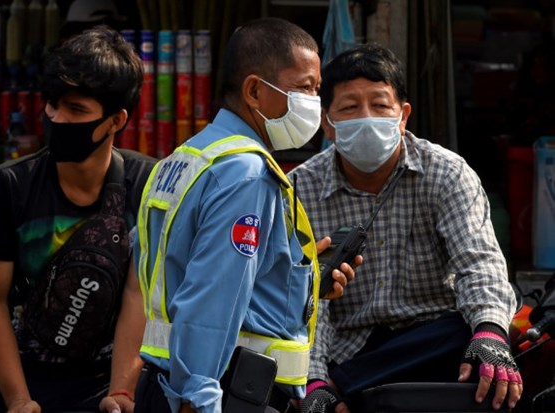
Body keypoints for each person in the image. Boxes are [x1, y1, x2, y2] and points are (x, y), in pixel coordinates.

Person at [126, 17, 355, 413]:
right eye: (304, 87)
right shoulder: (246, 174)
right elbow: (211, 295)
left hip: (169, 385)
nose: (314, 102)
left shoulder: (186, 158)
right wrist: (199, 397)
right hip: (226, 393)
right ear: (254, 91)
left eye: (317, 90)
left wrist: (300, 278)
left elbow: (185, 271)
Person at [0, 26, 156, 413]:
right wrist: (18, 399)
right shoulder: (10, 184)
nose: (56, 117)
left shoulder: (147, 184)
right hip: (25, 376)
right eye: (52, 104)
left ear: (116, 121)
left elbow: (137, 295)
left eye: (76, 109)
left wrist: (121, 392)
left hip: (109, 378)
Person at [291, 43, 522, 413]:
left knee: (480, 325)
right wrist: (315, 380)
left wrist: (491, 334)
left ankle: (346, 383)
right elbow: (305, 303)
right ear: (327, 123)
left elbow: (478, 264)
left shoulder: (447, 173)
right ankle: (336, 382)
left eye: (380, 105)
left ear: (403, 116)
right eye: (350, 108)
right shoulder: (301, 189)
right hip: (349, 346)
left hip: (433, 340)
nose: (366, 117)